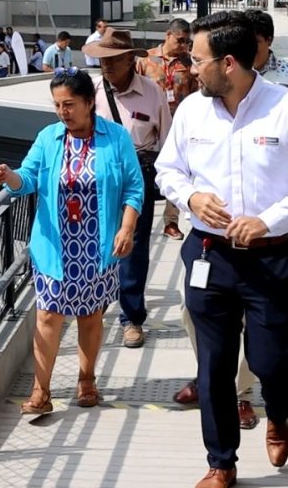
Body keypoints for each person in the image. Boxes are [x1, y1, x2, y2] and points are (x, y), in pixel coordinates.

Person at [155, 10, 288, 488]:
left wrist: (267, 220)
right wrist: (190, 196)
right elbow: (167, 170)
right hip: (208, 256)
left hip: (270, 258)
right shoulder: (192, 110)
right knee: (213, 365)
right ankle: (221, 463)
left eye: (198, 60)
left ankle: (278, 410)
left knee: (269, 359)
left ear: (228, 63)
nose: (191, 68)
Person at [0, 69, 143, 415]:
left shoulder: (115, 138)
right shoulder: (48, 138)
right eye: (57, 105)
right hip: (55, 245)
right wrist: (8, 176)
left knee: (90, 316)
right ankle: (41, 392)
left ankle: (86, 380)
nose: (62, 112)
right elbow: (27, 179)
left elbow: (134, 187)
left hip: (98, 245)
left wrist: (126, 227)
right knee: (47, 316)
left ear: (89, 103)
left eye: (69, 104)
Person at [84, 28, 171, 349]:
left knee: (132, 246)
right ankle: (94, 304)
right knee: (97, 241)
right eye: (102, 60)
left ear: (130, 60)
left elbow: (166, 141)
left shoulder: (152, 92)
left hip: (139, 175)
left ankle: (131, 317)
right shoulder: (90, 92)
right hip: (98, 177)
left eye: (113, 60)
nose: (106, 66)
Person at [136, 18, 194, 240]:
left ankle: (171, 221)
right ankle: (137, 215)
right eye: (180, 40)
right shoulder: (145, 60)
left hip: (179, 124)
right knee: (144, 168)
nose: (183, 46)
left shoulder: (188, 64)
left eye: (186, 42)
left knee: (178, 170)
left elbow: (196, 94)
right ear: (168, 36)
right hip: (150, 124)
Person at [246, 10, 288, 104]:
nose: (250, 47)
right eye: (246, 41)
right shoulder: (235, 72)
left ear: (269, 40)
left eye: (256, 42)